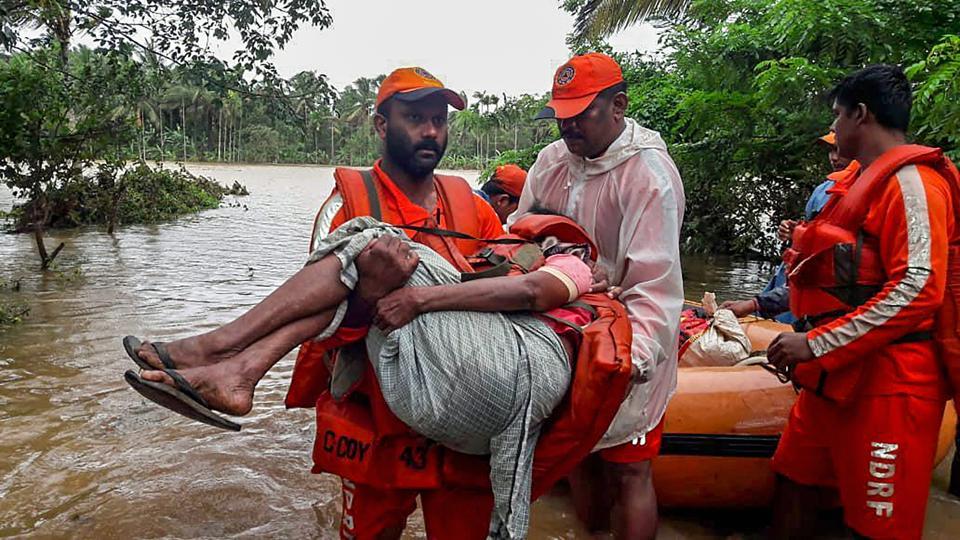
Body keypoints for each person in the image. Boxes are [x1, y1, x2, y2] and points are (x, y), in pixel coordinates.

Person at [123, 214, 600, 539]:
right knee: (360, 268)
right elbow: (330, 318)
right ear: (381, 124)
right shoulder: (354, 204)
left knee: (370, 239)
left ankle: (225, 353)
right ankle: (237, 370)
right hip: (395, 408)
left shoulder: (527, 248)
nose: (524, 249)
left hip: (460, 406)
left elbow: (529, 294)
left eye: (533, 244)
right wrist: (372, 294)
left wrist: (410, 297)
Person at [767, 64, 959, 539]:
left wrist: (815, 343)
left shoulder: (914, 185)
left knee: (878, 527)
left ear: (860, 114)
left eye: (837, 115)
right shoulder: (856, 182)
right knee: (793, 482)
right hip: (833, 376)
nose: (833, 127)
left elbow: (919, 290)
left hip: (891, 382)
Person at [509, 52, 684, 539]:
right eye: (561, 117)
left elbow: (656, 283)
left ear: (618, 106)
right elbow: (518, 238)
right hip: (566, 332)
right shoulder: (550, 163)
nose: (568, 127)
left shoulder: (648, 175)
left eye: (581, 114)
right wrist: (549, 266)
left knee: (630, 468)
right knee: (578, 456)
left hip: (627, 333)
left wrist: (635, 360)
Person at [721, 131, 860, 322]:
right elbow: (813, 233)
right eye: (831, 151)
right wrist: (794, 231)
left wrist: (754, 304)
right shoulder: (823, 190)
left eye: (839, 150)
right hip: (797, 280)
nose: (834, 157)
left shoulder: (861, 195)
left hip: (825, 290)